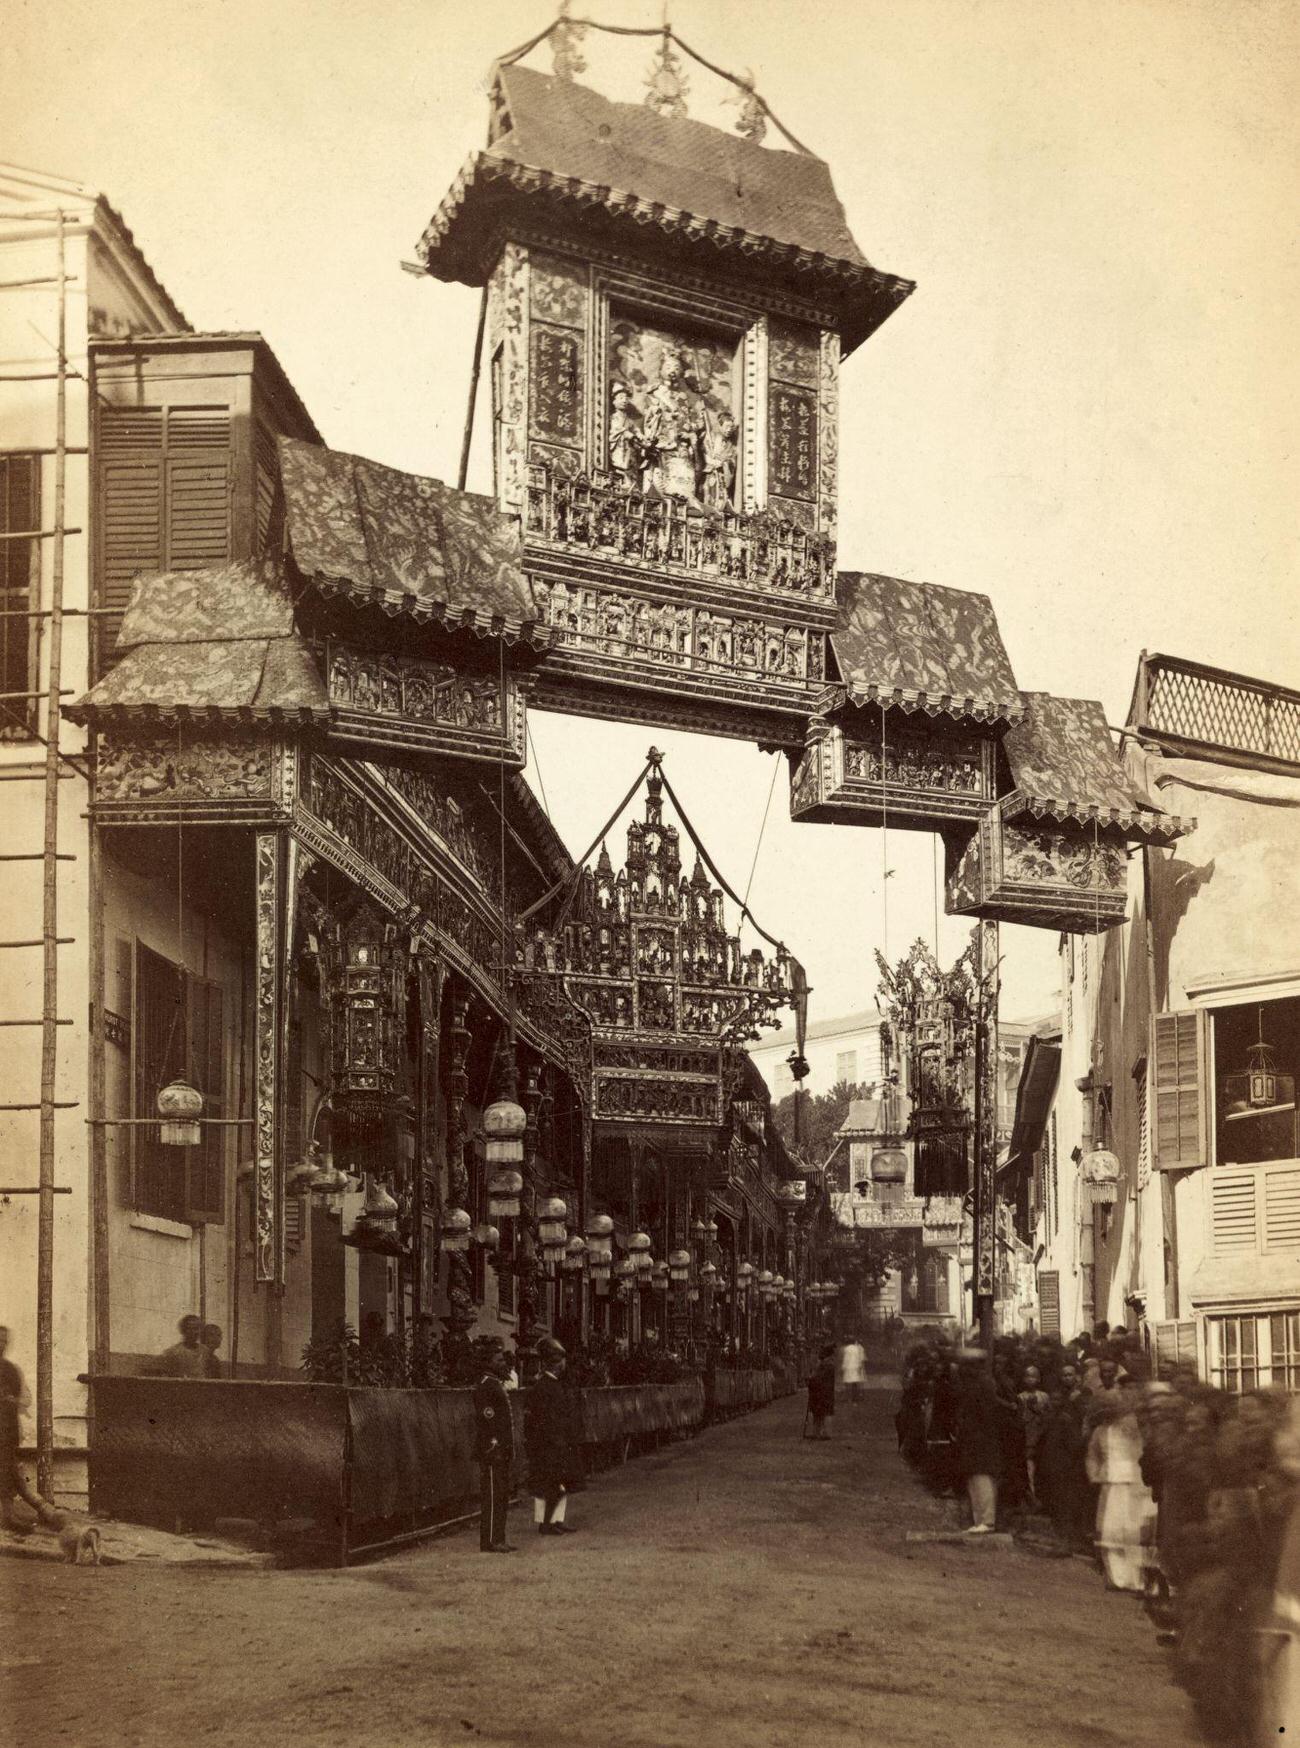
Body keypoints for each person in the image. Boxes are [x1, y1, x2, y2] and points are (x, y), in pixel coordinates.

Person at [1086, 1378, 1156, 1591]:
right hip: (1111, 1484)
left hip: (1136, 1483)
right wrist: (1094, 1474)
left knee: (1134, 1531)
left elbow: (1144, 1450)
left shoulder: (1135, 1425)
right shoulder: (1100, 1431)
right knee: (1112, 1531)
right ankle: (1118, 1577)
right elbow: (1093, 1456)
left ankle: (1138, 1579)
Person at [0, 1327, 59, 1531]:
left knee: (9, 1472)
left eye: (4, 1341)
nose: (1, 1345)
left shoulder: (12, 1370)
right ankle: (43, 1512)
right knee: (12, 1474)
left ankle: (13, 1516)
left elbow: (26, 1399)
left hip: (7, 1432)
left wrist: (13, 1400)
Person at [525, 1338, 579, 1535]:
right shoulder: (544, 1386)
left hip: (558, 1442)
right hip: (549, 1444)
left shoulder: (553, 1384)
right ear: (556, 1364)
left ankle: (556, 1520)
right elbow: (541, 1420)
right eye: (561, 1360)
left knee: (559, 1482)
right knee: (547, 1483)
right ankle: (545, 1523)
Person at [954, 1349, 1003, 1534]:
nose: (966, 1368)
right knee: (973, 1477)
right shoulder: (971, 1383)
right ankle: (979, 1520)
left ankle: (987, 1521)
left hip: (982, 1437)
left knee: (982, 1477)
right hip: (972, 1436)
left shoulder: (984, 1383)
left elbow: (986, 1413)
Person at [474, 1346, 517, 1554]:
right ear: (488, 1363)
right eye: (498, 1360)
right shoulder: (485, 1385)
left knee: (501, 1494)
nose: (503, 1363)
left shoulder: (494, 1383)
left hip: (501, 1448)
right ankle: (491, 1541)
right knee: (492, 1496)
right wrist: (493, 1446)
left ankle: (499, 1538)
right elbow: (487, 1419)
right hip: (493, 1450)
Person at [1018, 1364, 1053, 1506]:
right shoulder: (1020, 1397)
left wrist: (1038, 1411)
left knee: (1042, 1466)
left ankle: (1043, 1496)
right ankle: (1031, 1496)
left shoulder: (1044, 1396)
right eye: (1027, 1376)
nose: (1030, 1379)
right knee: (1029, 1467)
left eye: (1033, 1376)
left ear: (1039, 1379)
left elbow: (1049, 1415)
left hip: (1042, 1436)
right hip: (1027, 1436)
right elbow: (1020, 1417)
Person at [806, 1344, 835, 1440]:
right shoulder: (828, 1365)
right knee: (821, 1412)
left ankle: (824, 1433)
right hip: (824, 1392)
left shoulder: (826, 1365)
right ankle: (818, 1432)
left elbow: (818, 1378)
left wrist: (811, 1379)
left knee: (822, 1412)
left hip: (822, 1392)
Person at [840, 1335, 866, 1404]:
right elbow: (858, 1358)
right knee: (855, 1382)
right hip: (855, 1367)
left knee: (848, 1383)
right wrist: (859, 1366)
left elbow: (846, 1359)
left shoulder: (846, 1349)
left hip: (848, 1367)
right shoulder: (856, 1349)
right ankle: (855, 1398)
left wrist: (843, 1366)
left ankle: (849, 1399)